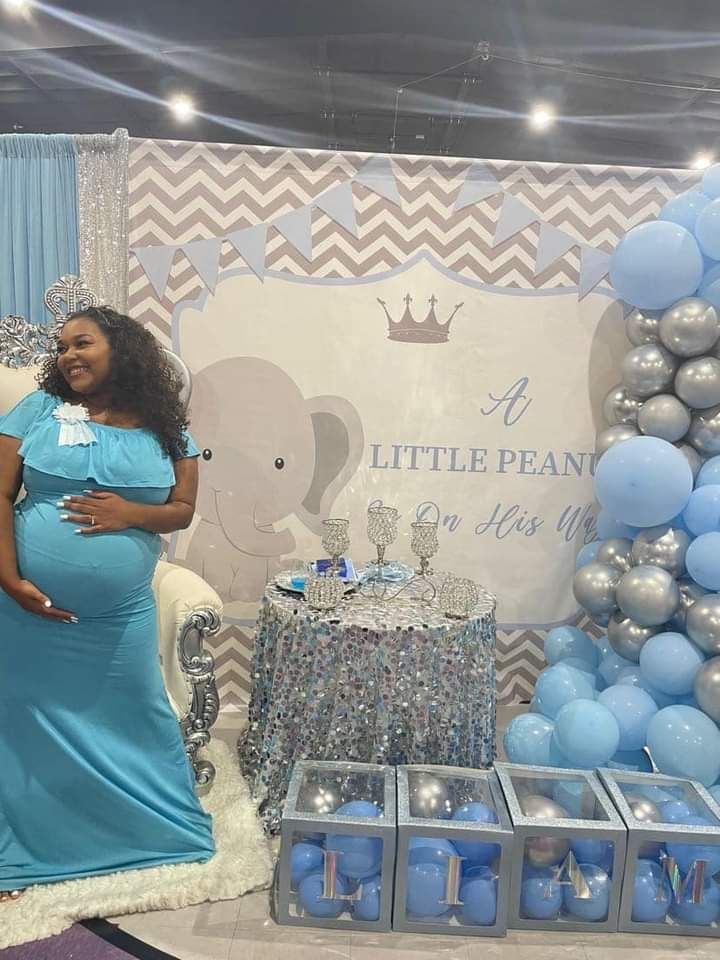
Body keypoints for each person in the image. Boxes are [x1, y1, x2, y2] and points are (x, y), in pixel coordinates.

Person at [0, 306, 215, 902]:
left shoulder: (168, 429)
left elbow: (180, 510)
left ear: (121, 348)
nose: (69, 354)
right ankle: (34, 839)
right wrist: (9, 577)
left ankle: (142, 834)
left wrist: (129, 513)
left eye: (83, 342)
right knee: (24, 723)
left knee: (136, 717)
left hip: (118, 618)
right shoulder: (36, 410)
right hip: (25, 615)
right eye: (62, 346)